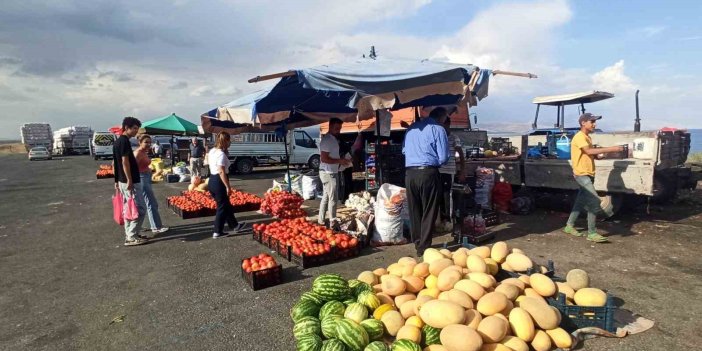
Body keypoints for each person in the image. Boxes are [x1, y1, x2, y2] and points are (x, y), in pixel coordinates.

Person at [563, 113, 627, 243]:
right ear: (583, 123)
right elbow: (589, 151)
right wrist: (612, 148)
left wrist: (599, 156)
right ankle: (591, 233)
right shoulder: (580, 137)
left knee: (580, 202)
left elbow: (590, 154)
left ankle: (569, 226)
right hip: (582, 174)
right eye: (592, 121)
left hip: (589, 173)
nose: (594, 124)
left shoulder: (587, 137)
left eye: (594, 121)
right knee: (594, 201)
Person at [403, 107, 450, 256]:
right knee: (429, 209)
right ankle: (424, 246)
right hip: (428, 172)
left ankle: (417, 242)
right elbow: (443, 157)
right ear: (442, 118)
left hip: (410, 173)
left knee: (414, 209)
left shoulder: (411, 128)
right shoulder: (438, 129)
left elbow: (404, 151)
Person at [113, 117, 148, 246]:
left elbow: (115, 164)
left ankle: (131, 233)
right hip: (130, 181)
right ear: (126, 128)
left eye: (137, 129)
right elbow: (124, 162)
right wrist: (129, 180)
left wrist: (116, 180)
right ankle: (131, 236)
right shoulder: (124, 142)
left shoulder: (118, 142)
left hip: (122, 181)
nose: (136, 131)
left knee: (129, 208)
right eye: (134, 128)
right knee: (140, 209)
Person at [208, 132, 247, 238]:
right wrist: (227, 187)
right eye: (229, 140)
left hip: (211, 180)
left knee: (226, 205)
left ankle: (235, 225)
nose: (230, 142)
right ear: (225, 141)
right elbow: (221, 171)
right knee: (222, 207)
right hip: (219, 181)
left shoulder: (212, 151)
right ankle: (217, 231)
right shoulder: (220, 154)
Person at [318, 118, 352, 228]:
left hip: (330, 171)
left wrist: (341, 160)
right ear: (330, 126)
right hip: (328, 173)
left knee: (326, 197)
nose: (339, 130)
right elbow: (324, 158)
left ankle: (321, 220)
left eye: (340, 128)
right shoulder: (327, 140)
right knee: (333, 197)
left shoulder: (332, 139)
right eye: (337, 128)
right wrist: (340, 161)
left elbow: (330, 156)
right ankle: (333, 221)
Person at [134, 134, 169, 235]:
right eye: (146, 142)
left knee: (151, 202)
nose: (148, 144)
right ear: (139, 142)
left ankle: (155, 225)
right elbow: (132, 169)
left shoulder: (144, 152)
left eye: (149, 142)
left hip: (146, 177)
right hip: (142, 179)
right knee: (151, 203)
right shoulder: (137, 153)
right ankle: (156, 227)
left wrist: (150, 171)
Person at [437, 116, 465, 230]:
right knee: (438, 196)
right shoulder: (438, 137)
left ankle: (449, 220)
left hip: (448, 171)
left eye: (442, 124)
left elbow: (461, 154)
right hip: (437, 170)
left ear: (448, 124)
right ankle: (440, 219)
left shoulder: (454, 137)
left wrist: (463, 170)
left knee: (447, 196)